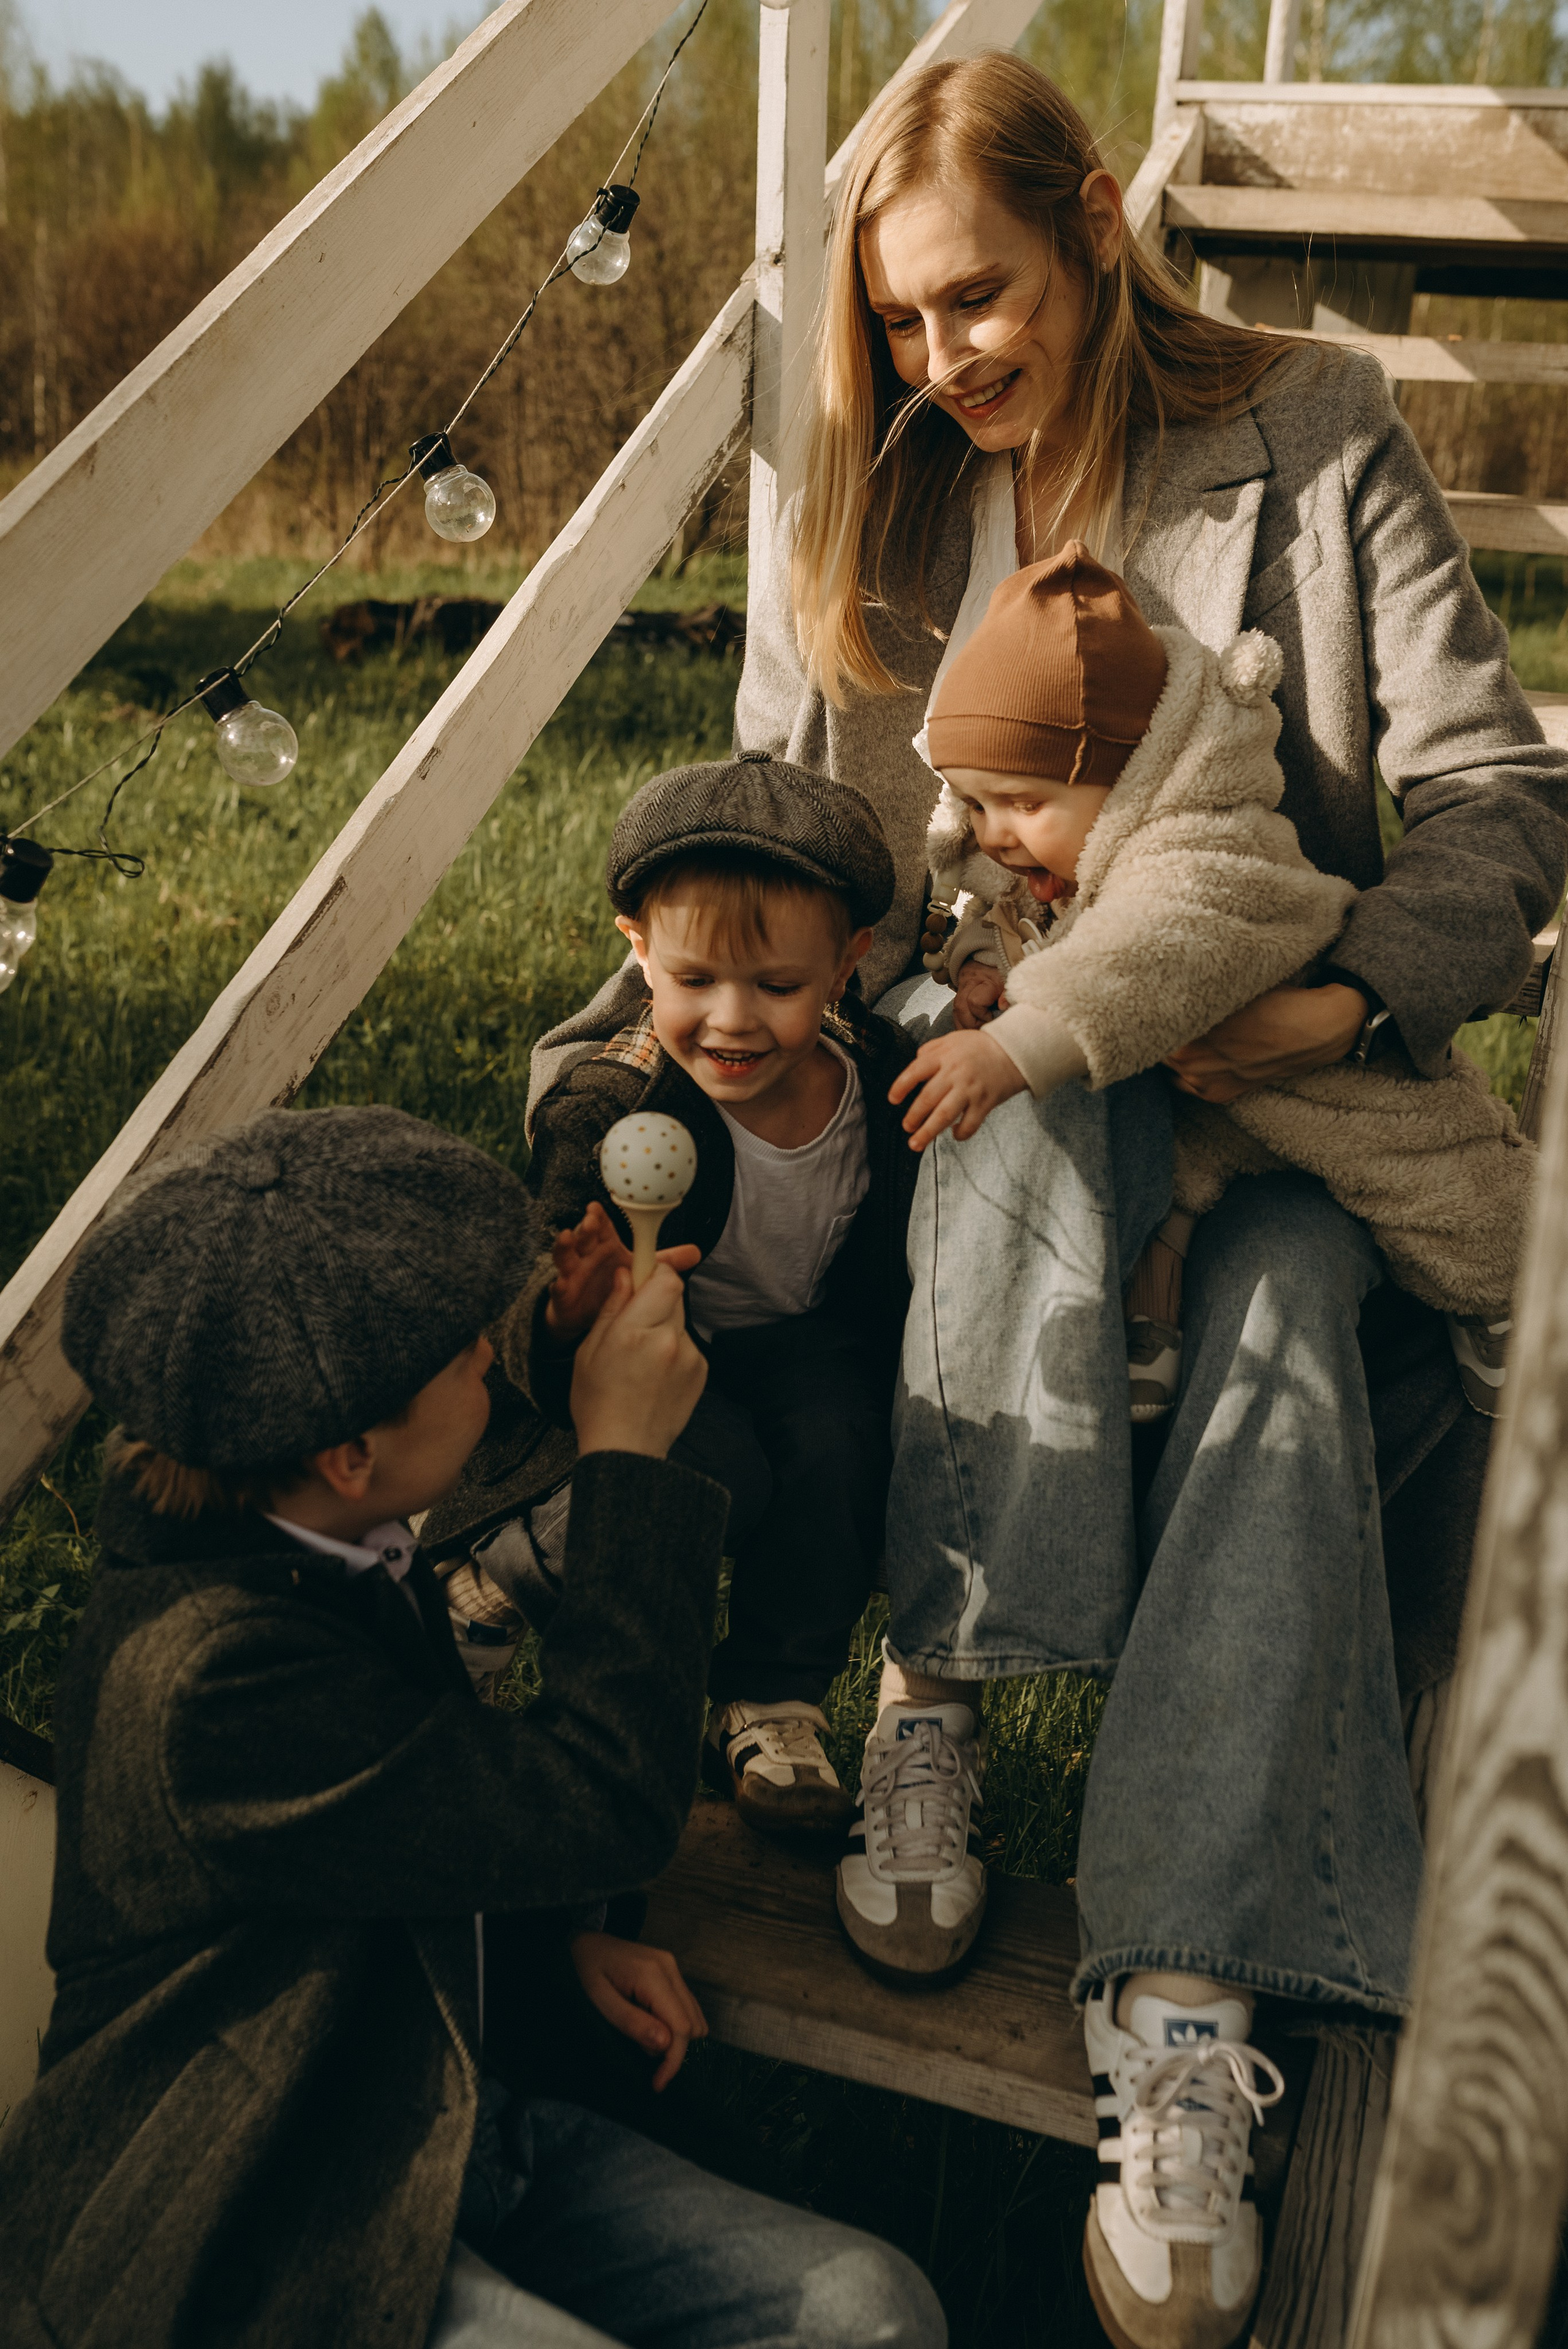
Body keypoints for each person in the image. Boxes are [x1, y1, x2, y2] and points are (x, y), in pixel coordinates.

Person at [731, 46, 1568, 2349]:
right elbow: (804, 848)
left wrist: (1333, 1010)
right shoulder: (888, 497)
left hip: (1269, 1064)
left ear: (1100, 220)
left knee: (1292, 1291)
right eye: (902, 322)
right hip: (971, 1089)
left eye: (977, 297)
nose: (943, 359)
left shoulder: (1307, 427)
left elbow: (1496, 800)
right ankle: (942, 1685)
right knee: (1009, 1106)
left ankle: (1188, 1991)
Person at [0, 1105, 943, 2349]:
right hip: (265, 2197)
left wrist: (542, 1938)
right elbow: (602, 1794)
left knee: (878, 2315)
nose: (490, 1372)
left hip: (443, 2103)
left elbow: (413, 1798)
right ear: (347, 1452)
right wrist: (624, 1467)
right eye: (463, 1360)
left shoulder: (313, 1537)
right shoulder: (206, 1683)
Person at [905, 541, 1532, 1420]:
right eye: (974, 805)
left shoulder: (1206, 853)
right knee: (1174, 1188)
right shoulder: (1069, 844)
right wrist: (979, 966)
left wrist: (1012, 1048)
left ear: (1131, 778)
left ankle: (1517, 1299)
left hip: (1340, 1088)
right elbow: (1022, 916)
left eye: (1022, 803)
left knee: (1450, 1198)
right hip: (1208, 1109)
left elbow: (1137, 953)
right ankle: (1152, 1315)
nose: (997, 834)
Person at [442, 753, 919, 1839]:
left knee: (841, 1446)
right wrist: (568, 1309)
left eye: (778, 988)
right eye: (695, 980)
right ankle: (494, 1583)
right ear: (639, 950)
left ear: (848, 964)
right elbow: (525, 1292)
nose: (732, 1021)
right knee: (714, 1472)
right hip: (652, 1346)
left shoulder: (880, 1078)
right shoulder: (613, 1105)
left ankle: (772, 1701)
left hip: (803, 1337)